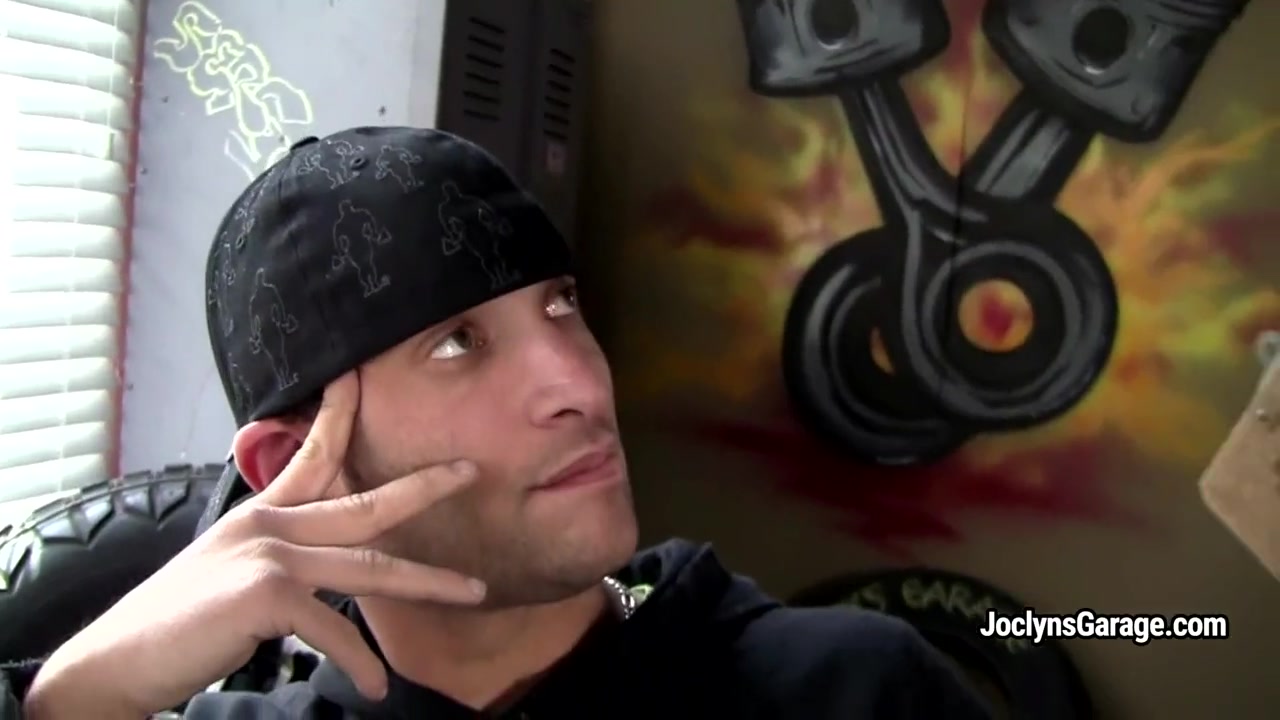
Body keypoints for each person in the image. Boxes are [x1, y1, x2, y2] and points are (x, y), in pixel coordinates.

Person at [4, 126, 994, 719]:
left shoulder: (850, 691)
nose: (576, 380)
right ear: (296, 461)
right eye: (458, 343)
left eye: (561, 305)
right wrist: (72, 699)